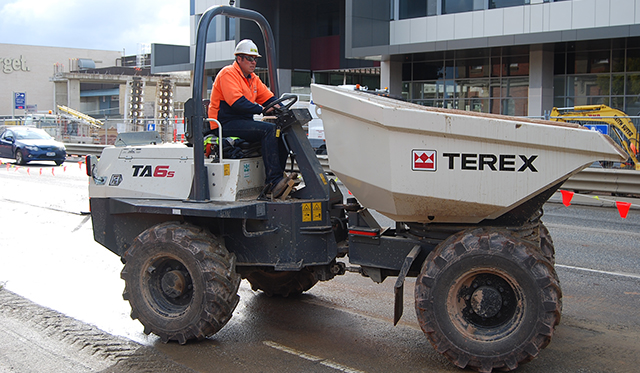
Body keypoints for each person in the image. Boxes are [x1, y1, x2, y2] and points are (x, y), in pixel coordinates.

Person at [208, 39, 296, 198]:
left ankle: (278, 180)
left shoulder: (253, 78)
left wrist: (282, 109)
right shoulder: (228, 74)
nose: (253, 62)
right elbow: (237, 102)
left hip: (242, 122)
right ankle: (273, 181)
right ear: (239, 58)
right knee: (268, 130)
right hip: (224, 123)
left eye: (255, 59)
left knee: (280, 133)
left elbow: (269, 99)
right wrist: (262, 109)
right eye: (249, 58)